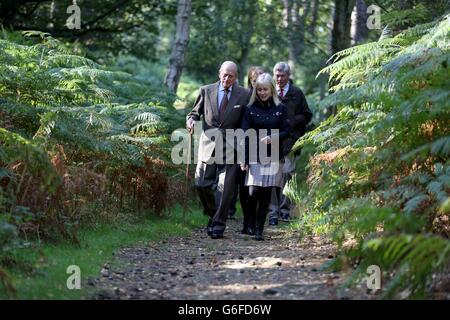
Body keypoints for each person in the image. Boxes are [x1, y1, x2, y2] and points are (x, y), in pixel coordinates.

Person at [186, 61, 250, 239]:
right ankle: (215, 215)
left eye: (231, 75)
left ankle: (219, 225)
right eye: (224, 74)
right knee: (201, 184)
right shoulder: (206, 90)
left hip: (232, 146)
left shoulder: (244, 94)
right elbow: (194, 113)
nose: (226, 78)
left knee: (225, 188)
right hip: (208, 144)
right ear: (219, 73)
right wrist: (190, 120)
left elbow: (247, 120)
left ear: (236, 77)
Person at [240, 73, 289, 240]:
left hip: (273, 154)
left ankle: (260, 229)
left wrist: (273, 138)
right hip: (254, 153)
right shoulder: (250, 109)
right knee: (253, 191)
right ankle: (250, 223)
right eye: (259, 89)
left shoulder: (280, 108)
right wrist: (244, 159)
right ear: (256, 90)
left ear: (271, 89)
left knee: (267, 192)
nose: (262, 92)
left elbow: (287, 131)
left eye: (265, 89)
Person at [268, 62, 312, 225]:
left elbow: (307, 115)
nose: (279, 79)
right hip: (272, 141)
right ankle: (273, 211)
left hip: (291, 142)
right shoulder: (269, 91)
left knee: (287, 175)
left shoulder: (297, 93)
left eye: (282, 76)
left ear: (288, 76)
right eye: (276, 75)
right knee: (272, 177)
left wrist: (294, 121)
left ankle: (285, 210)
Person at [228, 66, 265, 234]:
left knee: (257, 187)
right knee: (243, 186)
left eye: (260, 79)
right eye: (254, 80)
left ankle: (255, 221)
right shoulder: (243, 97)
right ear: (250, 81)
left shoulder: (268, 97)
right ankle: (247, 221)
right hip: (241, 144)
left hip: (262, 147)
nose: (257, 83)